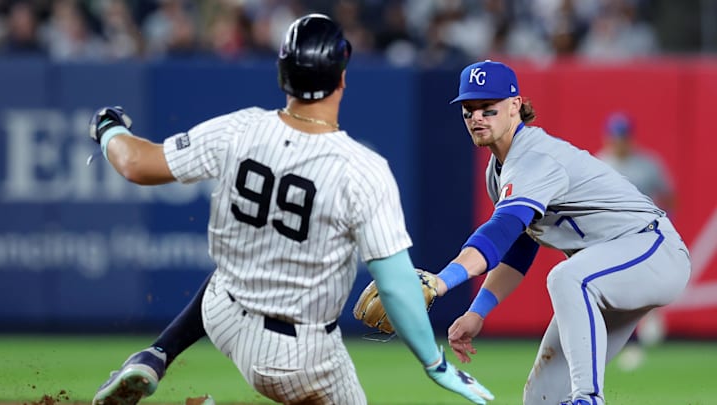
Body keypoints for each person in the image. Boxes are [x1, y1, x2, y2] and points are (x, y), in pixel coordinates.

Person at [89, 13, 494, 405]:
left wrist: (109, 128)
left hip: (221, 314)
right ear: (342, 77)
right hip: (297, 356)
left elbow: (136, 165)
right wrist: (435, 363)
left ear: (283, 75)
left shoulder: (241, 128)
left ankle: (157, 354)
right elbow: (394, 285)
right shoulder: (361, 169)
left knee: (236, 269)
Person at [429, 60, 691, 405]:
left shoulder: (535, 158)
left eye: (487, 108)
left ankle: (588, 398)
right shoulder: (500, 171)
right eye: (468, 110)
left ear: (515, 106)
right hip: (606, 272)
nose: (477, 117)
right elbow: (519, 248)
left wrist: (441, 282)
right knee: (542, 396)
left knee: (566, 278)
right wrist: (478, 312)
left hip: (653, 251)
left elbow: (500, 231)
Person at [597, 111, 677, 371]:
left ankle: (647, 318)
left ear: (630, 137)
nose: (619, 141)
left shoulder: (647, 164)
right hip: (613, 238)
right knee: (615, 292)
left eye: (623, 136)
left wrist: (666, 224)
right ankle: (631, 337)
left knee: (639, 288)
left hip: (645, 236)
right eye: (615, 136)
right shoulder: (600, 163)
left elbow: (669, 196)